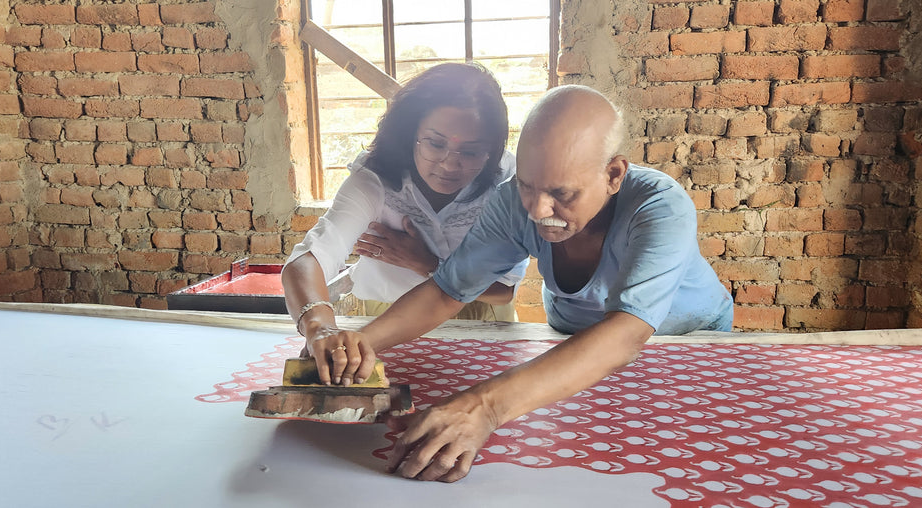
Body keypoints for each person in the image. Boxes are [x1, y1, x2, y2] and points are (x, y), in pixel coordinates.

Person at [304, 85, 734, 482]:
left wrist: (485, 407)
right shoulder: (512, 200)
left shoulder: (660, 206)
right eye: (528, 186)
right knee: (580, 455)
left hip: (688, 341)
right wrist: (359, 343)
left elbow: (626, 333)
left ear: (614, 175)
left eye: (563, 194)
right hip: (576, 343)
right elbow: (447, 290)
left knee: (685, 463)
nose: (538, 209)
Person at [282, 63, 529, 371]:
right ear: (411, 133)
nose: (450, 165)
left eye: (471, 151)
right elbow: (310, 258)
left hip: (482, 319)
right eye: (435, 144)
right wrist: (319, 325)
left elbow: (503, 292)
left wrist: (427, 263)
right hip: (382, 320)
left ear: (493, 149)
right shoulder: (375, 179)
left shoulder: (510, 184)